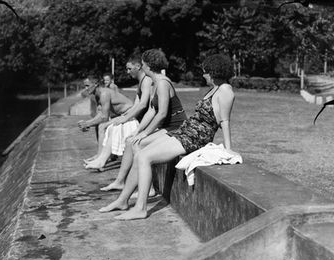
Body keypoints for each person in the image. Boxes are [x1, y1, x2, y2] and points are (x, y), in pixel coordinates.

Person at [99, 54, 240, 220]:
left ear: (214, 72)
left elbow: (224, 120)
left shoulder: (225, 91)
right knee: (139, 152)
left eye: (205, 72)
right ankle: (123, 200)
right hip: (187, 130)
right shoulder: (215, 88)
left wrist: (228, 149)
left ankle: (141, 208)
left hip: (196, 136)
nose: (203, 75)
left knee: (144, 157)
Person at [100, 48, 187, 192]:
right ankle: (120, 181)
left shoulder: (163, 83)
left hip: (176, 127)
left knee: (138, 144)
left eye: (143, 63)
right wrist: (138, 131)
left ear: (149, 65)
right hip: (167, 127)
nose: (141, 66)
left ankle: (149, 189)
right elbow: (152, 110)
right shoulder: (155, 82)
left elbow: (162, 113)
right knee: (130, 139)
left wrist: (145, 133)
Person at [84, 55, 153, 170]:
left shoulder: (146, 80)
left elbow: (142, 105)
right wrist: (123, 117)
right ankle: (100, 159)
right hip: (132, 115)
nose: (127, 72)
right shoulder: (140, 82)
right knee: (111, 126)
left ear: (138, 66)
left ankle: (101, 159)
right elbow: (137, 105)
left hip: (140, 118)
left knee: (111, 126)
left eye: (129, 69)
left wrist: (124, 118)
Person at [77, 77, 133, 153]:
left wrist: (87, 123)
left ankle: (100, 156)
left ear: (96, 84)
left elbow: (104, 118)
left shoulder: (104, 94)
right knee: (98, 125)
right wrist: (87, 123)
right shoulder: (97, 95)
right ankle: (100, 154)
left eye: (87, 85)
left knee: (102, 126)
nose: (85, 88)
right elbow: (100, 114)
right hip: (121, 115)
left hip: (130, 115)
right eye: (85, 86)